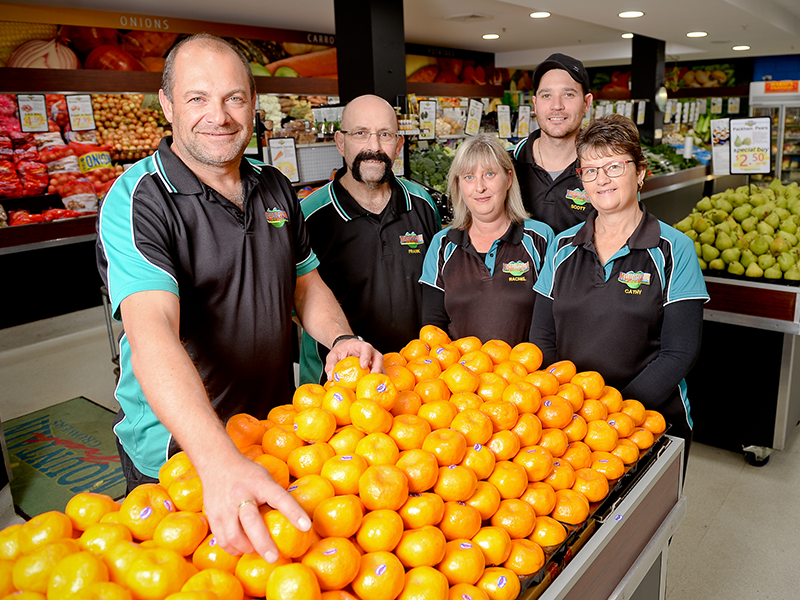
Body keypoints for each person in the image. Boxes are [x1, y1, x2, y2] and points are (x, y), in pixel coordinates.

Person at [96, 34, 382, 562]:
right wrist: (217, 459)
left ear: (253, 105)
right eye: (197, 98)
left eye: (234, 98)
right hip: (182, 452)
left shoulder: (274, 187)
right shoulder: (141, 198)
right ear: (167, 105)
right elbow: (151, 330)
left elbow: (304, 284)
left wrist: (341, 338)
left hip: (273, 431)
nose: (219, 116)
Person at [529, 113, 708, 464]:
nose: (602, 179)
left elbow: (679, 352)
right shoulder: (562, 246)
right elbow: (542, 337)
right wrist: (569, 409)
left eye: (614, 166)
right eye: (590, 170)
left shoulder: (674, 249)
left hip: (650, 420)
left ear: (640, 173)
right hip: (572, 424)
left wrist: (613, 414)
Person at [299, 95, 441, 384]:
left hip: (416, 380)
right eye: (361, 133)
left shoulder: (423, 204)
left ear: (399, 145)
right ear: (340, 142)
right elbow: (295, 301)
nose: (374, 147)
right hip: (338, 383)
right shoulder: (309, 216)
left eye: (385, 135)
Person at [419, 134, 554, 346]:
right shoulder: (442, 244)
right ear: (458, 185)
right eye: (469, 177)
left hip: (526, 366)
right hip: (460, 368)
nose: (479, 187)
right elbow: (433, 327)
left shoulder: (540, 238)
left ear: (509, 178)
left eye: (489, 174)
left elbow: (551, 324)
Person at [509, 53, 595, 233]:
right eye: (546, 95)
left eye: (568, 94)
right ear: (535, 104)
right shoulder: (506, 162)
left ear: (586, 103)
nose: (556, 105)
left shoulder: (604, 168)